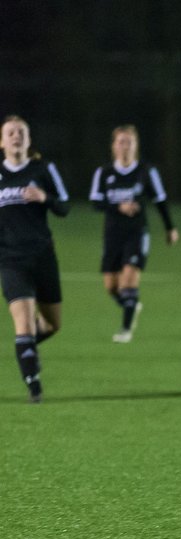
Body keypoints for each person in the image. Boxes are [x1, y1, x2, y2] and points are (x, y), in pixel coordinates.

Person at [0, 116, 69, 403]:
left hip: (42, 257)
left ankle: (26, 348)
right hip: (10, 260)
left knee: (52, 325)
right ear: (2, 141)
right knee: (24, 324)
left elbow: (64, 207)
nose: (16, 136)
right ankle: (34, 386)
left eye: (22, 132)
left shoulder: (43, 169)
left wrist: (45, 198)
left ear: (28, 140)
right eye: (10, 132)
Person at [89, 125, 179, 343]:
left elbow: (160, 200)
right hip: (112, 234)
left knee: (129, 280)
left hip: (137, 233)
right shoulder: (104, 173)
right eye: (121, 141)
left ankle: (126, 330)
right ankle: (132, 305)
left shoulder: (146, 172)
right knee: (111, 286)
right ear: (113, 146)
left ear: (136, 146)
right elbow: (95, 203)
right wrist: (118, 207)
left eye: (129, 142)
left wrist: (170, 227)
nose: (125, 146)